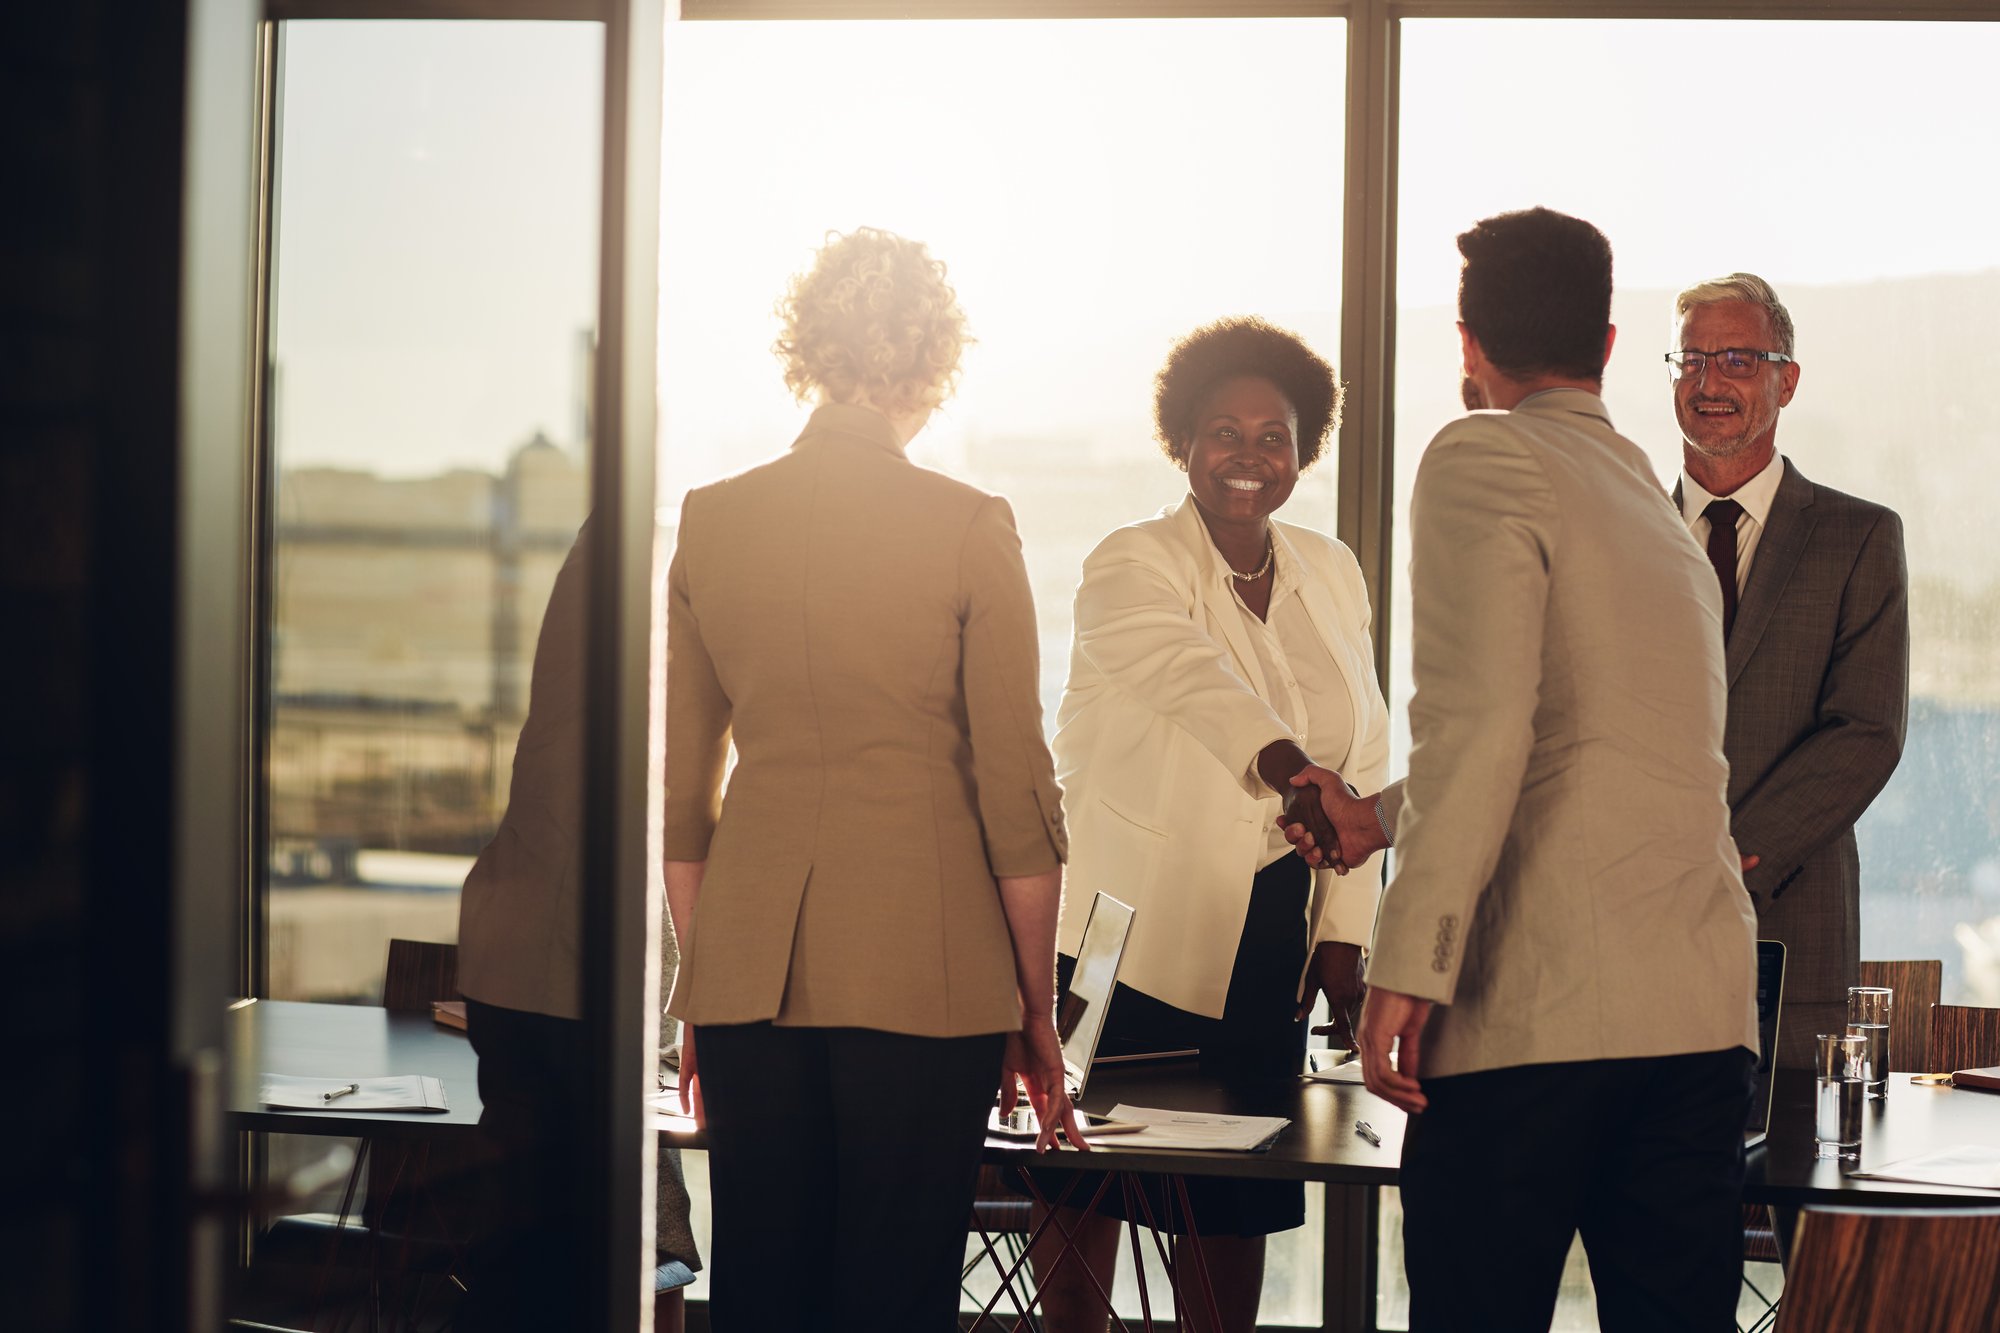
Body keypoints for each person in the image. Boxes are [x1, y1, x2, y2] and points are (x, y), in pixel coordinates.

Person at [1295, 209, 1760, 1332]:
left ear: (1466, 345)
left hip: (1536, 1018)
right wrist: (1377, 819)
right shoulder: (1654, 506)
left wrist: (1408, 962)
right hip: (1695, 1025)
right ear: (1606, 346)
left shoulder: (1481, 455)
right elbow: (1575, 732)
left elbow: (1480, 722)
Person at [662, 226, 1084, 1332]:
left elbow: (681, 797)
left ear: (806, 347)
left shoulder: (710, 520)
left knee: (761, 1284)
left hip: (748, 967)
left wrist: (701, 988)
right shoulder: (967, 526)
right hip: (924, 977)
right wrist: (1032, 1011)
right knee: (891, 1292)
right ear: (932, 365)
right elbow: (1015, 796)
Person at [1029, 317, 1390, 1333]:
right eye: (1222, 432)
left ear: (1301, 450)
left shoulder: (1331, 571)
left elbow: (1362, 752)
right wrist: (1291, 771)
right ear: (1182, 441)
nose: (1247, 455)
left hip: (1270, 932)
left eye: (1271, 436)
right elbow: (1193, 679)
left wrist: (1344, 935)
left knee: (1229, 1211)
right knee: (1083, 1196)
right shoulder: (1129, 562)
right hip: (1113, 935)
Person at [456, 519, 702, 1332]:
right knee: (602, 1245)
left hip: (515, 950)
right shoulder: (659, 575)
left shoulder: (595, 565)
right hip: (577, 965)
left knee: (529, 1240)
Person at [1669, 272, 1909, 1068]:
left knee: (1776, 1177)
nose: (1709, 383)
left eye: (1737, 359)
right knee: (1633, 1186)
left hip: (1790, 928)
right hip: (1630, 930)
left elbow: (1866, 733)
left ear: (1787, 379)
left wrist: (1730, 854)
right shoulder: (1622, 532)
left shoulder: (1860, 537)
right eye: (1692, 360)